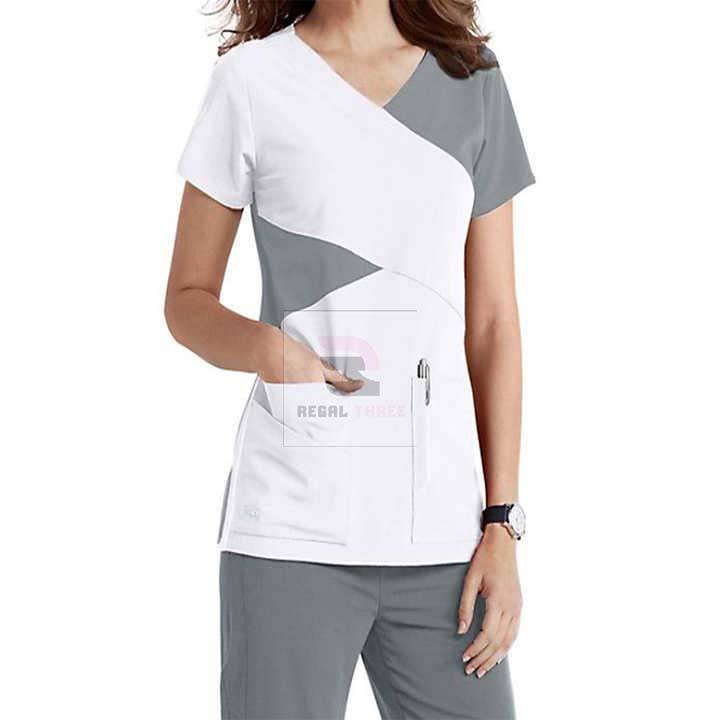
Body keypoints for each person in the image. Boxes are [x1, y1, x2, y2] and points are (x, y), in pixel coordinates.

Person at [165, 0, 534, 717]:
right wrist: (268, 349)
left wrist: (502, 522)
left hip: (443, 538)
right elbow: (186, 300)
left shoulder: (473, 80)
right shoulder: (252, 81)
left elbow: (494, 322)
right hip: (292, 526)